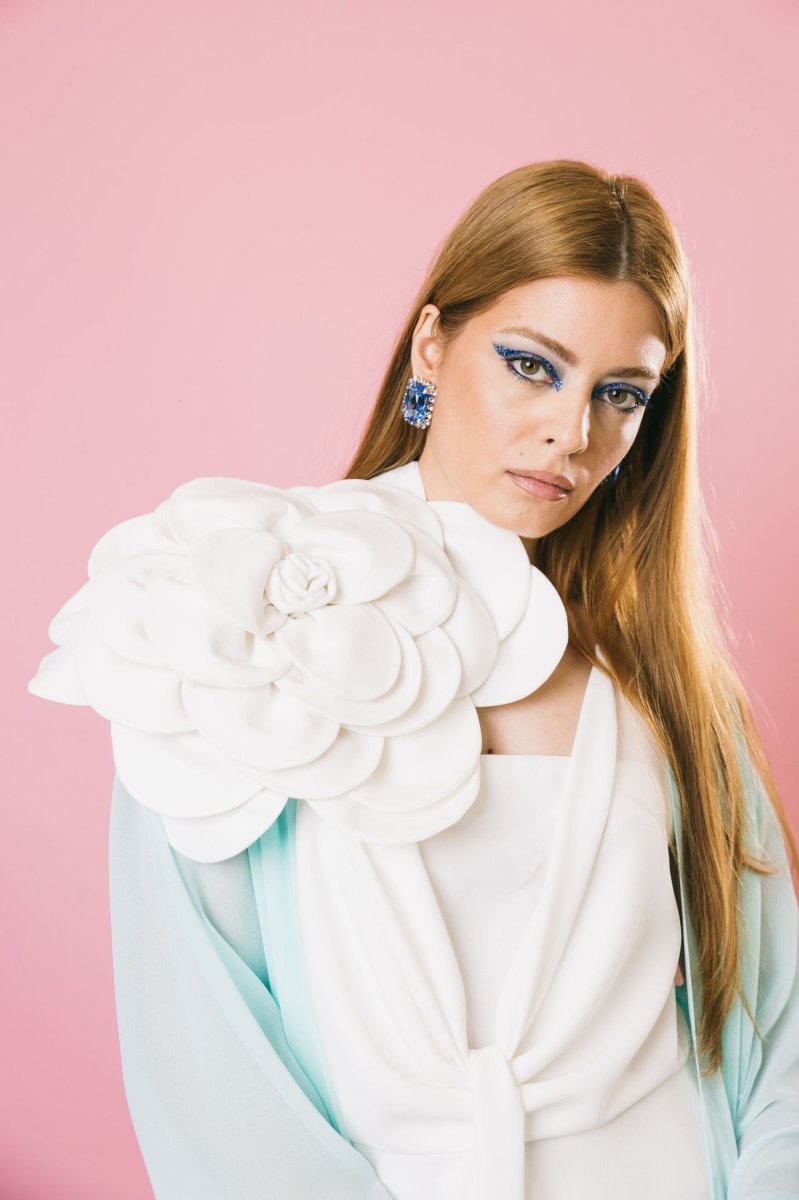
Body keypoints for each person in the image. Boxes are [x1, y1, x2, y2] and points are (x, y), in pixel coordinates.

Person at [28, 159, 799, 1200]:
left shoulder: (664, 690)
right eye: (531, 365)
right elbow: (211, 1069)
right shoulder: (236, 627)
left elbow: (777, 1036)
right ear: (432, 344)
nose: (571, 433)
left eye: (620, 394)